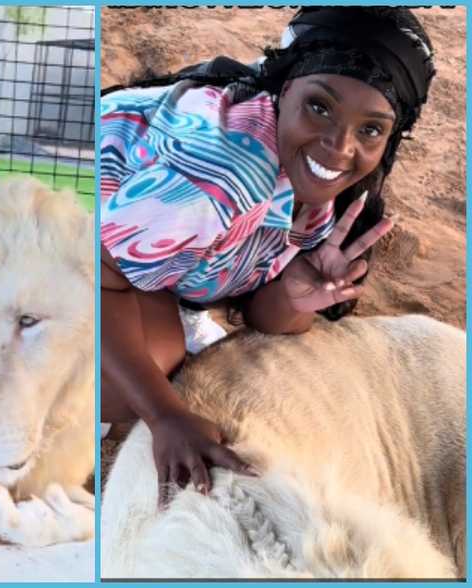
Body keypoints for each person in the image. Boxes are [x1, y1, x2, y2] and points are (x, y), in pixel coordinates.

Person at [100, 7, 435, 502]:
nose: (339, 146)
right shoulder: (213, 182)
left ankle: (166, 313)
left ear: (390, 136)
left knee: (172, 354)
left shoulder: (327, 183)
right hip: (74, 243)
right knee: (150, 365)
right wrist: (164, 415)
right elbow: (94, 272)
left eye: (370, 130)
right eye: (320, 108)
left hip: (148, 254)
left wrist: (295, 298)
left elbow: (261, 314)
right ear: (284, 90)